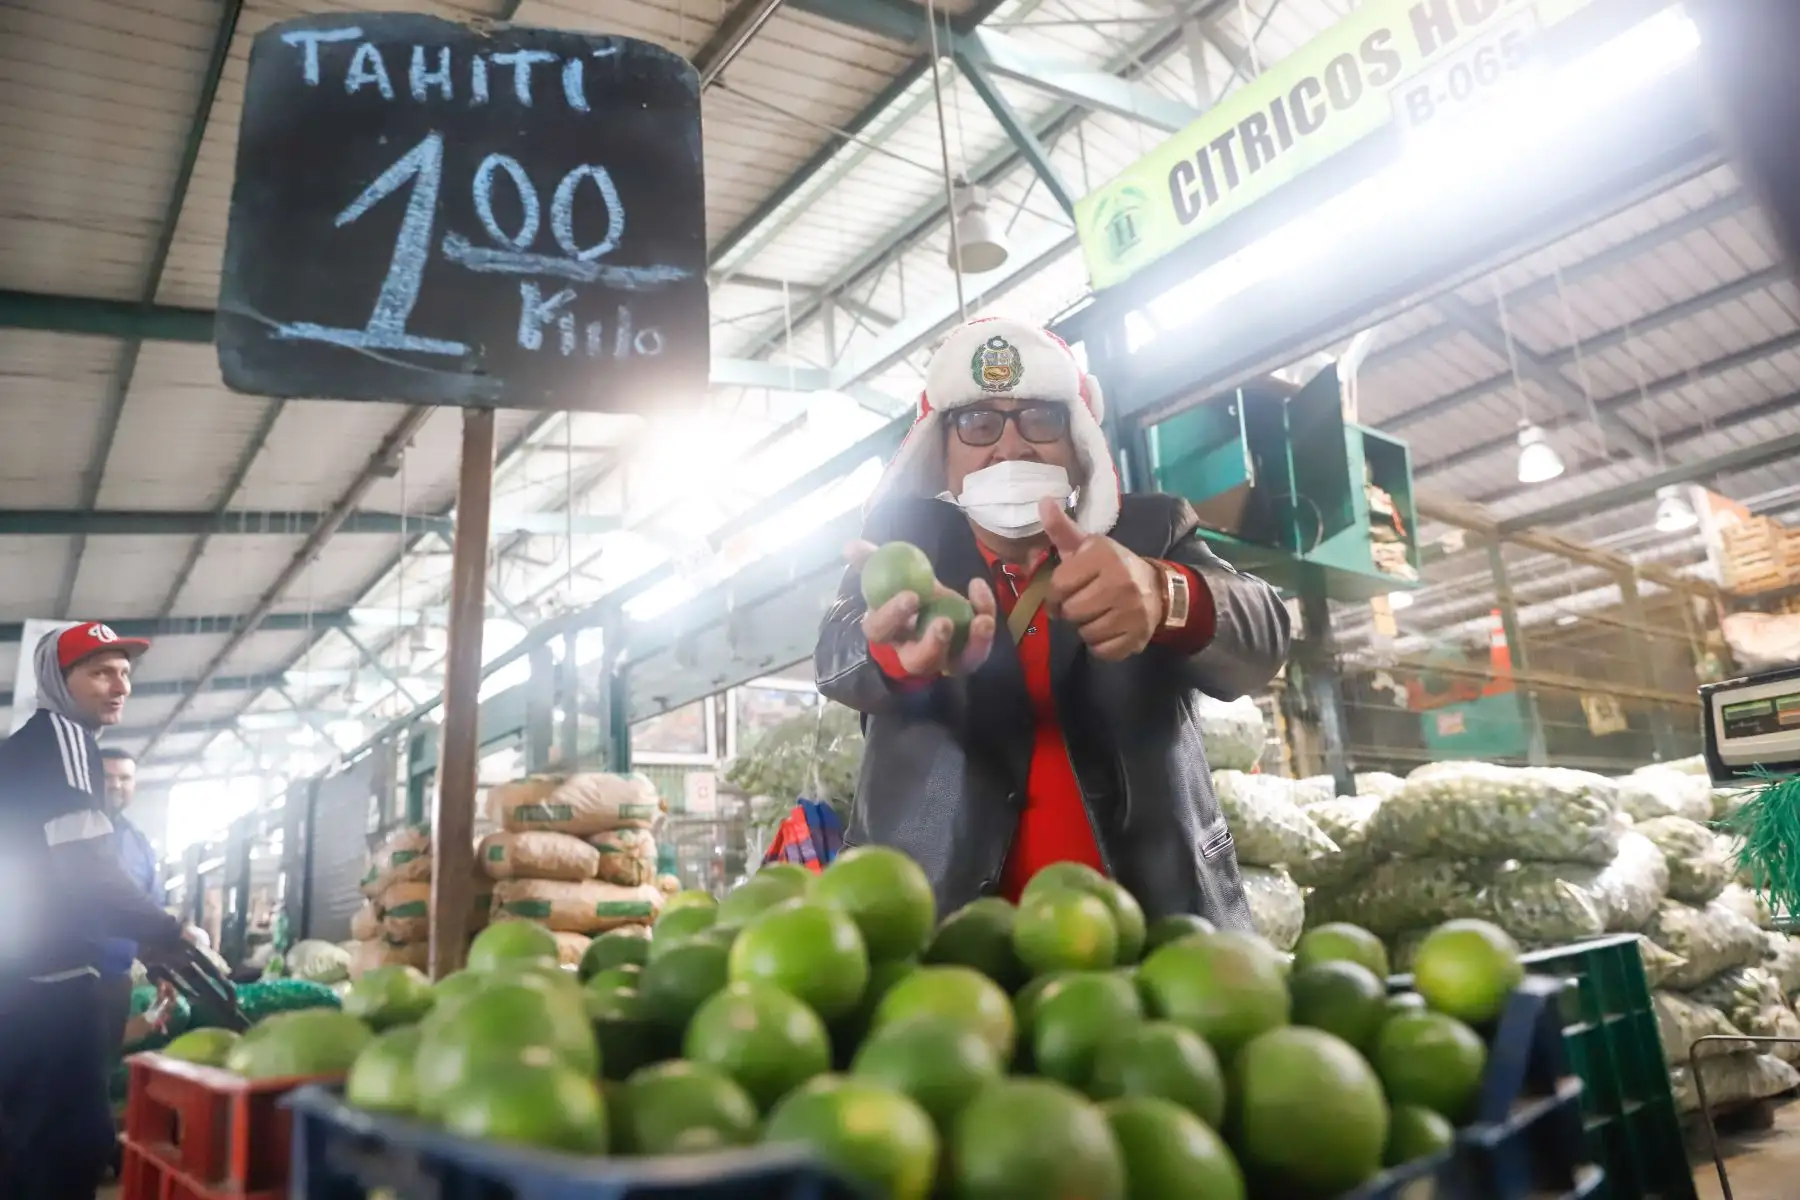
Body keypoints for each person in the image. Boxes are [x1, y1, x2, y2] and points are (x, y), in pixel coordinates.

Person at [815, 317, 1291, 926]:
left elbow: (1266, 630)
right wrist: (892, 652)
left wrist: (1165, 594)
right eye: (979, 423)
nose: (1011, 447)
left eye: (1040, 418)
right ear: (942, 453)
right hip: (942, 934)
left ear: (1077, 440)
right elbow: (835, 652)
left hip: (1157, 925)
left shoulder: (1149, 532)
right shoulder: (906, 545)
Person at [0, 623, 190, 1200]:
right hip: (47, 985)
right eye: (100, 671)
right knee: (67, 1146)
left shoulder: (28, 747)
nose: (120, 685)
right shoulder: (62, 737)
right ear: (59, 681)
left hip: (22, 982)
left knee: (22, 1141)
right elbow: (84, 868)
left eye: (126, 672)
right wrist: (165, 931)